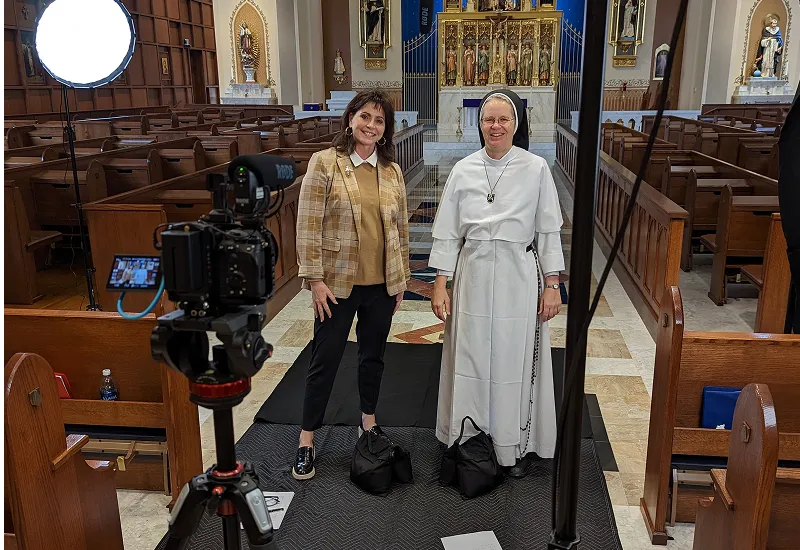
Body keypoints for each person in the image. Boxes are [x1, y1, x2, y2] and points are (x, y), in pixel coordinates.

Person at [430, 89, 565, 477]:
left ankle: (512, 445)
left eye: (503, 119)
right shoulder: (463, 170)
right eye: (488, 119)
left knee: (511, 359)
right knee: (470, 356)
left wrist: (552, 284)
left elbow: (548, 230)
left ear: (516, 124)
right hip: (472, 273)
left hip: (517, 275)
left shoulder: (536, 168)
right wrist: (442, 282)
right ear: (480, 124)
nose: (495, 126)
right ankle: (470, 439)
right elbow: (448, 233)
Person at [293, 89, 411, 480]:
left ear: (385, 130)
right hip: (337, 286)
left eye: (379, 121)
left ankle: (369, 420)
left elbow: (401, 229)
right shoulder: (326, 163)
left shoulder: (392, 170)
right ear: (350, 118)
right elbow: (307, 223)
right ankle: (307, 440)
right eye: (365, 117)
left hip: (380, 284)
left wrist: (400, 280)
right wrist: (314, 279)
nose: (370, 126)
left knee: (372, 357)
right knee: (323, 361)